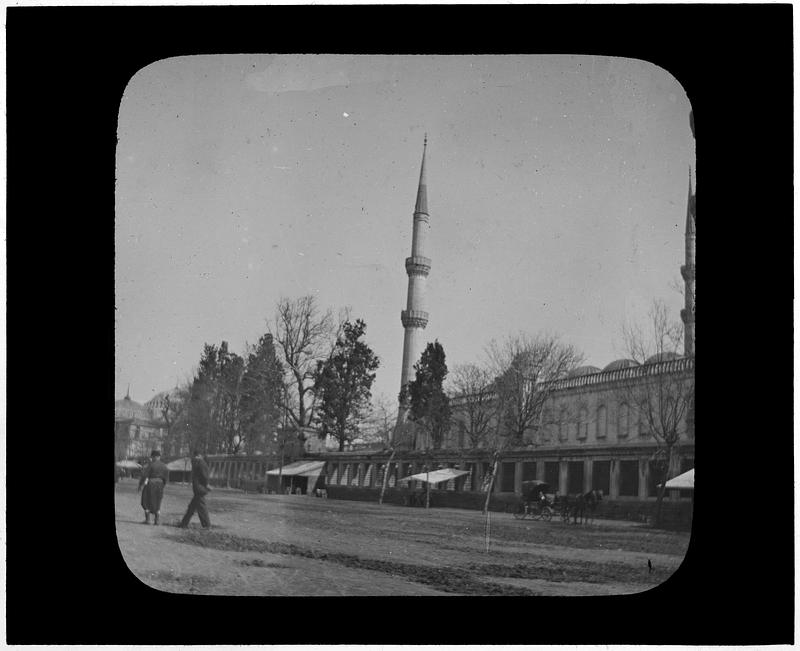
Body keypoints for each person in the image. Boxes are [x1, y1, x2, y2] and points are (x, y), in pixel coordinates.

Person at [179, 450, 212, 529]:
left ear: (198, 455)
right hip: (199, 488)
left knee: (201, 508)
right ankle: (184, 523)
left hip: (200, 488)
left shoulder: (201, 463)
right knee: (192, 507)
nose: (194, 458)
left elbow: (205, 476)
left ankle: (207, 525)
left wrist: (207, 484)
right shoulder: (199, 463)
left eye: (195, 456)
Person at [138, 450, 169, 525]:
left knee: (146, 501)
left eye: (152, 456)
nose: (151, 458)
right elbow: (166, 478)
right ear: (159, 457)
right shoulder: (164, 466)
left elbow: (145, 476)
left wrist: (140, 485)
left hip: (151, 484)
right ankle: (157, 520)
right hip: (160, 485)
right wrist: (162, 485)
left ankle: (148, 520)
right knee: (157, 502)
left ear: (154, 456)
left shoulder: (151, 465)